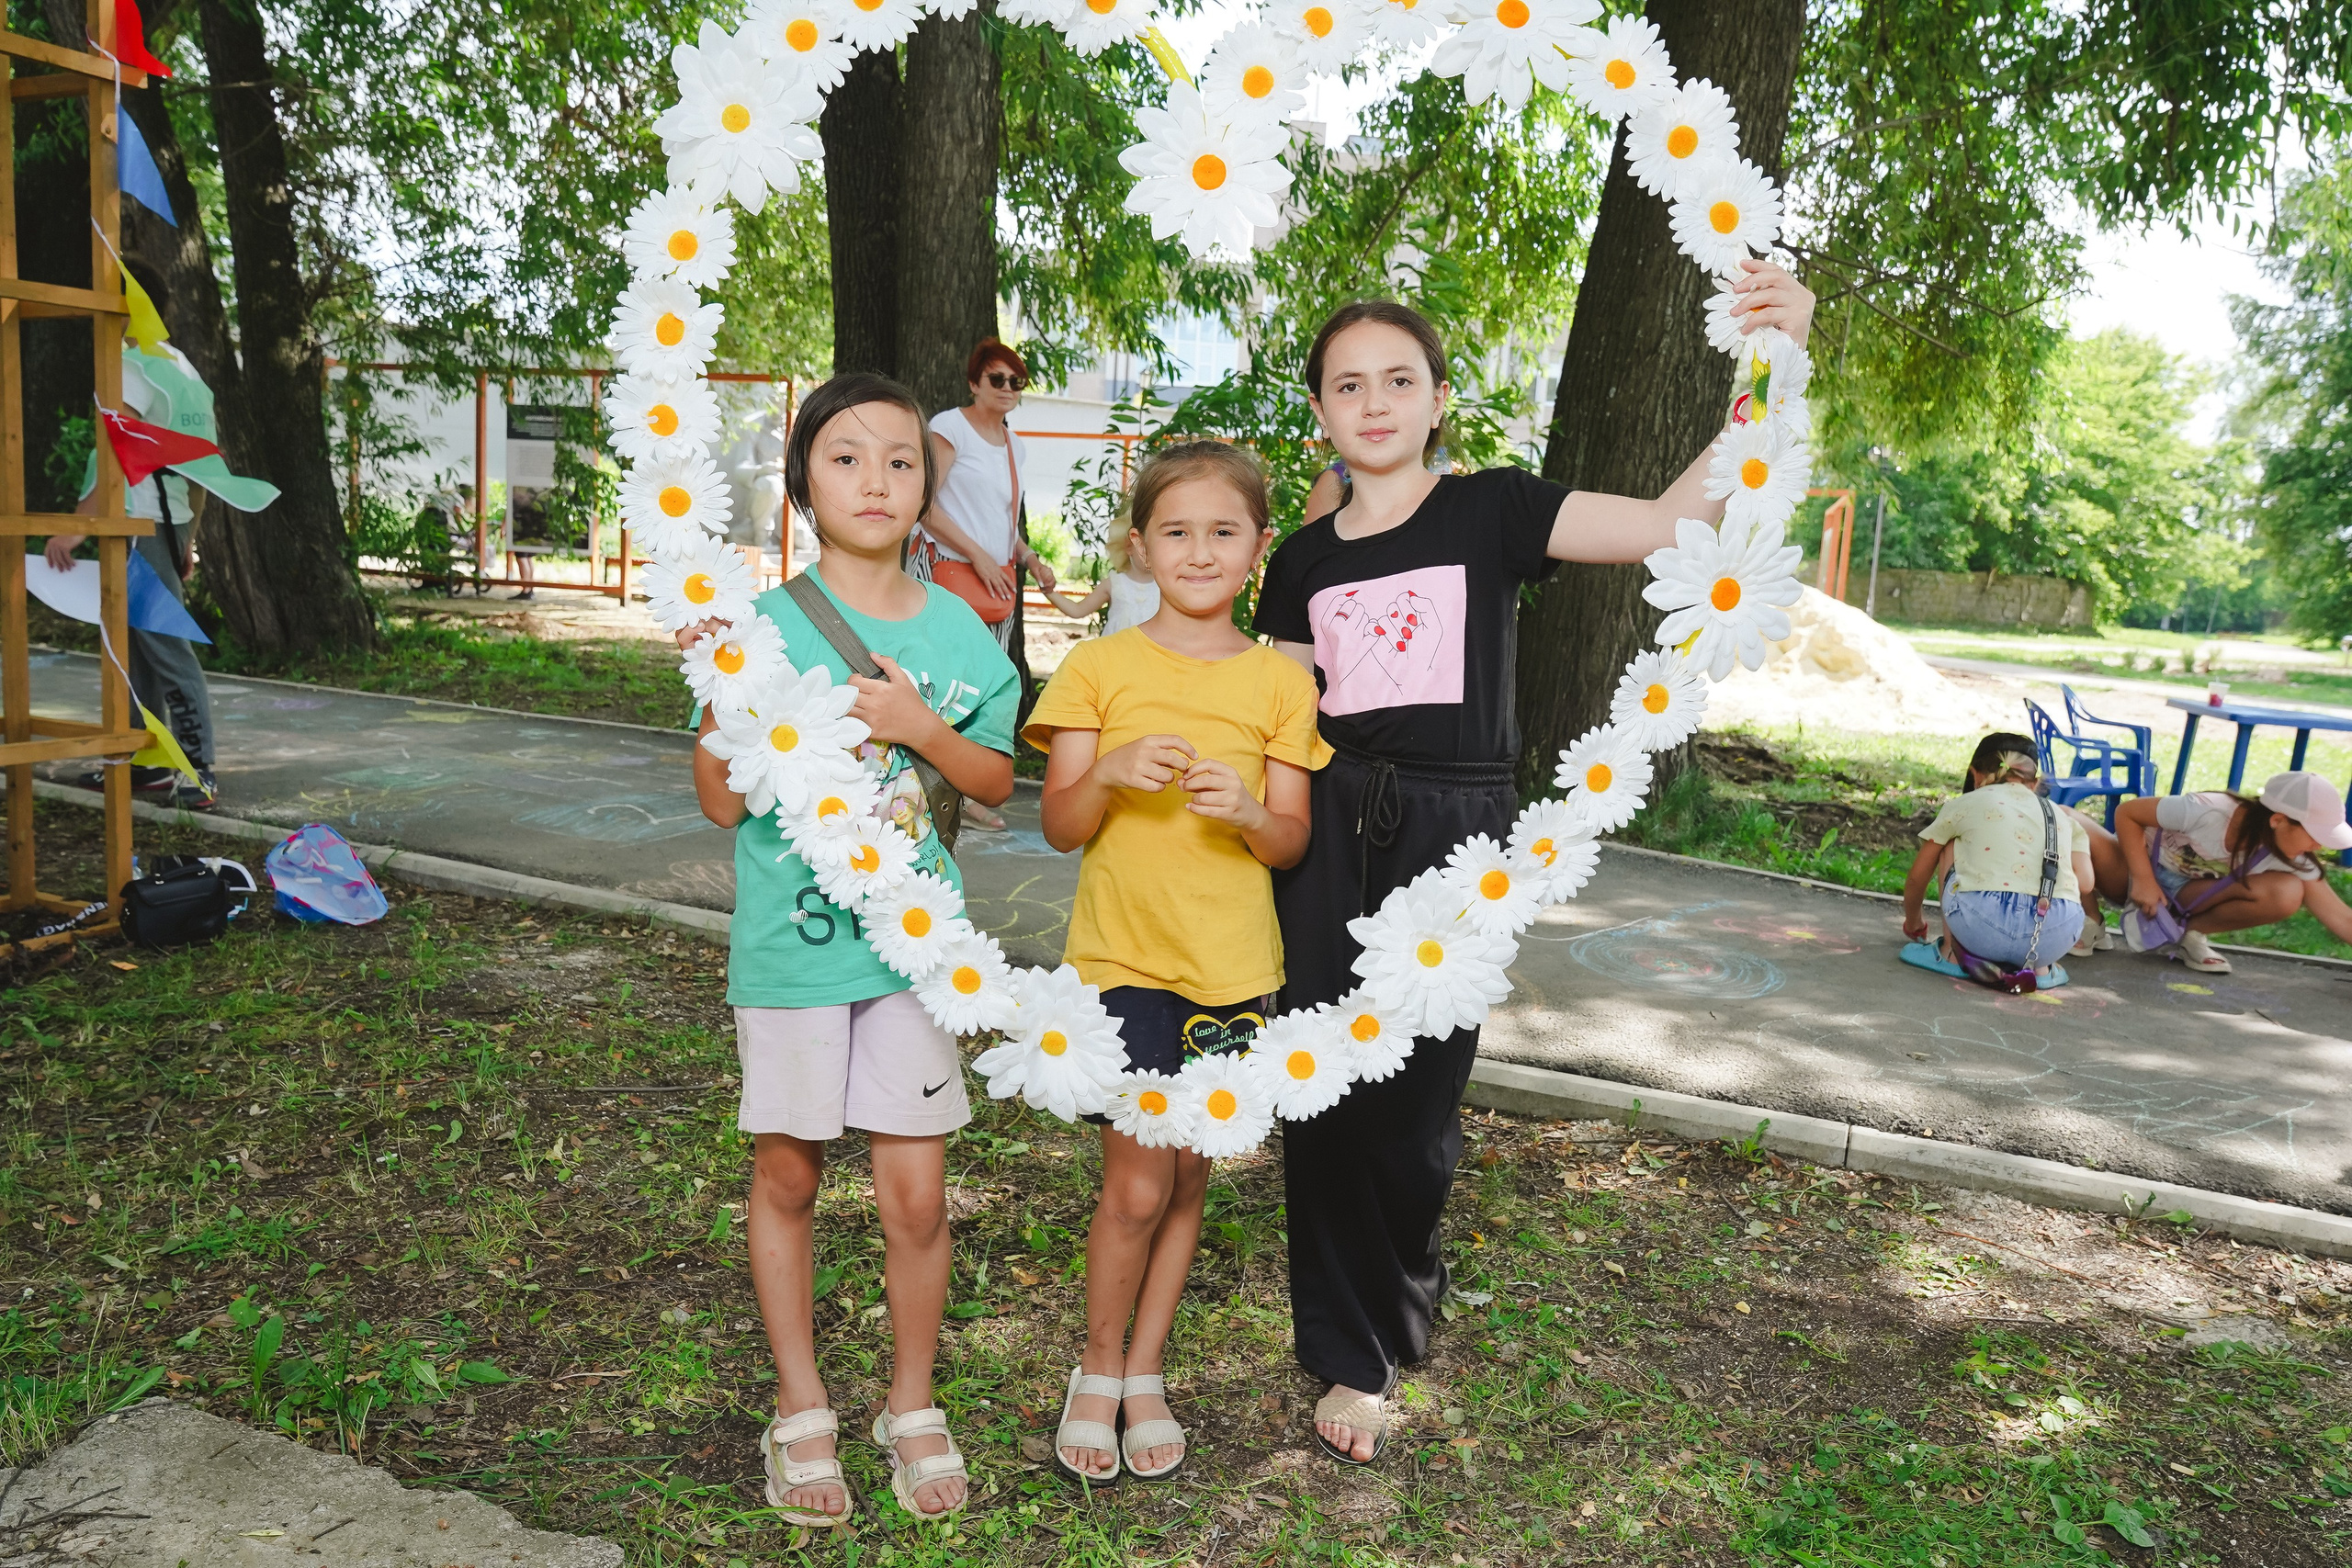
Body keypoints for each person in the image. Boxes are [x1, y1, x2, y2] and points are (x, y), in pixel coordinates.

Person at [1249, 260, 1816, 1464]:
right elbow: (1275, 711)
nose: (1376, 400)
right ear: (1323, 414)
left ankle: (1398, 1303)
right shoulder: (1300, 558)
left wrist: (1773, 361)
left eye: (1399, 377)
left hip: (1455, 835)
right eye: (1348, 384)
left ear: (1440, 397)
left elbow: (1675, 519)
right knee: (1323, 1092)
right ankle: (1344, 1348)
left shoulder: (1494, 508)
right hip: (1325, 834)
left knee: (1411, 1107)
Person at [684, 373, 1020, 1527]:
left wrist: (919, 727)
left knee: (916, 1194)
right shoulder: (764, 624)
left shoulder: (958, 633)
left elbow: (994, 782)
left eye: (898, 460)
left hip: (910, 953)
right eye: (844, 457)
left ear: (929, 488)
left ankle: (910, 1405)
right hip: (790, 950)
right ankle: (801, 1406)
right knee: (788, 1173)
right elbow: (722, 808)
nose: (874, 479)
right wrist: (721, 678)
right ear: (803, 484)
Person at [1023, 441, 1328, 1484]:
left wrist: (1248, 810)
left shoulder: (1281, 682)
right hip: (1121, 964)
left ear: (1256, 548)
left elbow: (1287, 839)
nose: (1199, 550)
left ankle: (1144, 1370)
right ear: (1139, 544)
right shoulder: (1098, 668)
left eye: (1223, 531)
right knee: (1133, 1184)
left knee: (1191, 1170)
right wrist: (1107, 770)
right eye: (1176, 530)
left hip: (1233, 968)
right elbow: (1063, 825)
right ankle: (1095, 1368)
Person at [922, 340, 1060, 829]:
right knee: (940, 680)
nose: (1007, 389)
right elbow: (925, 504)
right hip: (950, 571)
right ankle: (937, 785)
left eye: (1016, 381)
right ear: (974, 382)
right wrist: (978, 554)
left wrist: (1031, 559)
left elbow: (1004, 523)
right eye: (997, 379)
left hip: (994, 578)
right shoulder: (949, 427)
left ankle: (966, 786)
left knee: (984, 686)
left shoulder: (1014, 445)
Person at [2087, 773, 2352, 974]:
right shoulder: (2208, 810)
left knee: (2288, 891)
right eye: (2315, 835)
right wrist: (2143, 879)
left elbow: (2342, 918)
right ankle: (2089, 921)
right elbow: (2127, 813)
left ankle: (2185, 936)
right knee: (2070, 821)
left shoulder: (2292, 857)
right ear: (2278, 821)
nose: (2319, 846)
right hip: (2129, 871)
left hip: (2179, 900)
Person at [1899, 735, 2092, 980]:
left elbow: (1918, 877)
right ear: (2035, 783)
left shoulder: (1964, 804)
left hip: (1981, 926)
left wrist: (1914, 923)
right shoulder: (2063, 818)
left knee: (1949, 845)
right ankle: (2041, 969)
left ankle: (1951, 954)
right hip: (2054, 934)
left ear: (1975, 774)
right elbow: (2086, 884)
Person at [1035, 506, 1159, 634]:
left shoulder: (1165, 584)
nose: (1150, 553)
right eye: (1144, 546)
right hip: (1115, 651)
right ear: (1128, 547)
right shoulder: (1114, 583)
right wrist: (1049, 592)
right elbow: (1077, 610)